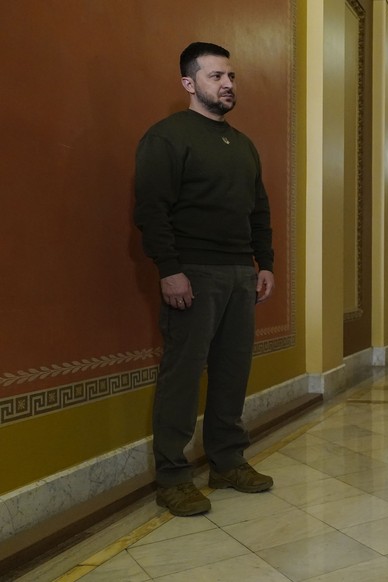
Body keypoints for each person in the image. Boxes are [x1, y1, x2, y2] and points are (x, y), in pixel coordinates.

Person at [134, 42, 275, 516]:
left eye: (231, 76)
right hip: (192, 273)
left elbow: (259, 210)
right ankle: (172, 476)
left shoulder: (244, 145)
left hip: (240, 274)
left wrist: (266, 263)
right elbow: (151, 211)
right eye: (216, 76)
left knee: (233, 373)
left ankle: (227, 461)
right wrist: (170, 270)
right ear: (189, 84)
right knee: (183, 374)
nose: (228, 84)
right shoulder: (166, 138)